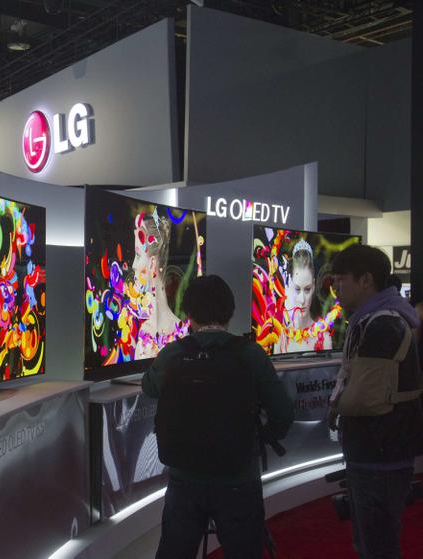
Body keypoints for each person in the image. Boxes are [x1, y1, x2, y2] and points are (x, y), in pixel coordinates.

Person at [141, 275, 294, 559]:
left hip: (184, 477)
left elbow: (149, 387)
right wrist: (260, 437)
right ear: (230, 311)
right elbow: (283, 412)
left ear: (188, 314)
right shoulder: (250, 354)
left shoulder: (174, 354)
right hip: (238, 477)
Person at [327, 244, 422, 559]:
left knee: (376, 545)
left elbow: (365, 399)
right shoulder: (379, 319)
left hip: (379, 455)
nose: (336, 288)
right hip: (380, 452)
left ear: (366, 280)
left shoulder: (381, 324)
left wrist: (336, 405)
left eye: (342, 280)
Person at [130, 208, 187, 360]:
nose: (133, 265)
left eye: (137, 255)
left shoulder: (178, 334)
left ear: (152, 263)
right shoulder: (145, 332)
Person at [274, 238, 332, 353]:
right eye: (297, 289)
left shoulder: (324, 337)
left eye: (307, 289)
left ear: (314, 286)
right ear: (289, 285)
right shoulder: (281, 338)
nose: (302, 300)